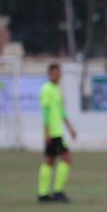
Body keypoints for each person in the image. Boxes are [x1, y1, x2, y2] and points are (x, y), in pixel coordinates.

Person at [38, 63, 78, 203]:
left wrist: (70, 128)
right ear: (49, 74)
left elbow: (62, 112)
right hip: (53, 133)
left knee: (49, 161)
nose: (58, 76)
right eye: (55, 73)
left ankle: (43, 194)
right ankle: (57, 192)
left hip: (57, 132)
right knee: (66, 158)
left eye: (59, 73)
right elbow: (46, 112)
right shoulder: (46, 89)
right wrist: (46, 133)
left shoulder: (57, 89)